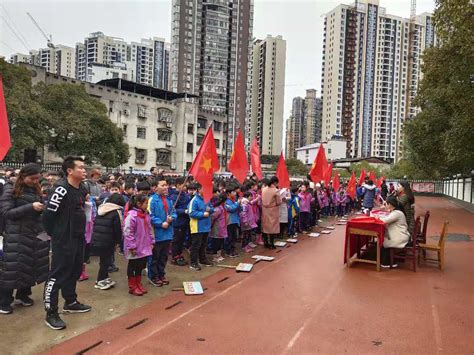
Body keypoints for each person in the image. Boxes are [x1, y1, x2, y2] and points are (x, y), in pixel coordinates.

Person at [43, 156, 91, 330]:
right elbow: (48, 215)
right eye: (80, 167)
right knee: (57, 275)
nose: (84, 170)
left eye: (84, 167)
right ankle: (51, 313)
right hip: (63, 239)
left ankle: (70, 301)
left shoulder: (82, 188)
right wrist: (56, 234)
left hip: (78, 237)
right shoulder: (61, 189)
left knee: (75, 270)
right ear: (70, 171)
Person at [0, 164, 50, 315]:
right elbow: (6, 212)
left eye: (37, 178)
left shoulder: (36, 189)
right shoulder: (10, 189)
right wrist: (30, 207)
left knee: (30, 266)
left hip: (35, 233)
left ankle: (23, 295)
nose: (35, 181)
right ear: (22, 176)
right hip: (17, 235)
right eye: (32, 178)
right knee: (13, 268)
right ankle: (4, 301)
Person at [90, 193, 125, 290]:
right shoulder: (116, 211)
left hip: (97, 239)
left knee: (103, 261)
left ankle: (105, 278)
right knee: (105, 261)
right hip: (108, 241)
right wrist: (118, 241)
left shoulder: (101, 209)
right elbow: (118, 228)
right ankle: (99, 280)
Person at [124, 193, 154, 296]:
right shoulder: (132, 216)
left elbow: (149, 230)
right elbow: (128, 232)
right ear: (138, 204)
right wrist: (132, 246)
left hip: (144, 246)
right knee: (133, 266)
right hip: (135, 247)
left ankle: (138, 283)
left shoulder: (146, 215)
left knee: (140, 266)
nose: (147, 205)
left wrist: (151, 241)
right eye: (146, 203)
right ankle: (132, 286)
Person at [148, 178, 176, 287]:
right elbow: (150, 216)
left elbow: (174, 212)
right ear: (155, 188)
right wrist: (160, 223)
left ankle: (161, 274)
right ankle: (153, 276)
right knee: (155, 257)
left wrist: (171, 218)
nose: (166, 187)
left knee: (164, 257)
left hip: (167, 233)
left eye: (166, 185)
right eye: (163, 185)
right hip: (157, 234)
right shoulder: (152, 200)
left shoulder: (169, 200)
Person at [379, 196, 411, 268]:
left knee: (383, 241)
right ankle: (387, 260)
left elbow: (384, 220)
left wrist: (376, 217)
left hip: (400, 236)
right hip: (401, 234)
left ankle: (388, 262)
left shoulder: (396, 213)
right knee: (384, 239)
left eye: (386, 204)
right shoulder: (397, 211)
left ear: (390, 204)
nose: (385, 205)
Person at [188, 183, 214, 271]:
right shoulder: (194, 200)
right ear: (199, 189)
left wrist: (209, 210)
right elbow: (191, 213)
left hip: (206, 226)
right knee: (196, 245)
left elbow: (212, 209)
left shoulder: (207, 199)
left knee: (203, 244)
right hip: (197, 226)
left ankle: (203, 259)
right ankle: (193, 262)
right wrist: (203, 214)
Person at [168, 177, 191, 266]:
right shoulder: (174, 196)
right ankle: (175, 256)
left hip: (185, 221)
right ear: (178, 185)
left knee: (182, 240)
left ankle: (180, 254)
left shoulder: (185, 195)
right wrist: (184, 211)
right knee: (176, 240)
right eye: (184, 185)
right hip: (178, 221)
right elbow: (173, 209)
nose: (186, 187)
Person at [261, 176, 282, 249]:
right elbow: (279, 202)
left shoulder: (263, 189)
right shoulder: (276, 190)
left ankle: (266, 242)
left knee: (265, 226)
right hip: (273, 210)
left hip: (264, 209)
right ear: (275, 183)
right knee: (272, 227)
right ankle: (271, 243)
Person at [209, 193, 228, 263]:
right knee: (216, 242)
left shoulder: (221, 207)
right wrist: (210, 226)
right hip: (217, 228)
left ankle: (219, 255)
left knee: (220, 242)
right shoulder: (218, 209)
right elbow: (212, 218)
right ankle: (215, 256)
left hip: (221, 227)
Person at [224, 185, 241, 258]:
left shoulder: (233, 200)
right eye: (233, 192)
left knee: (234, 236)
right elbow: (230, 209)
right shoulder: (226, 201)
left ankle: (232, 249)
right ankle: (228, 250)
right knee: (230, 236)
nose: (235, 193)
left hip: (235, 220)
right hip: (230, 221)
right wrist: (237, 204)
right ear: (228, 193)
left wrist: (239, 205)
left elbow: (239, 209)